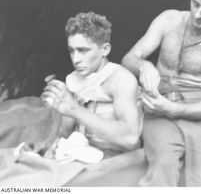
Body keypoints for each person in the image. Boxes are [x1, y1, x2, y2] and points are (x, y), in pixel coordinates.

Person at [122, 0, 201, 186]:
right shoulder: (168, 20)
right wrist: (144, 66)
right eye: (195, 4)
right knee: (162, 166)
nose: (198, 14)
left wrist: (173, 110)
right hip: (159, 103)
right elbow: (129, 58)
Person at [41, 12, 142, 155]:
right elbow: (65, 133)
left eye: (83, 51)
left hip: (117, 156)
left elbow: (131, 140)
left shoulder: (121, 80)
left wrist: (74, 109)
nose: (76, 59)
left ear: (105, 49)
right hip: (83, 151)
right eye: (71, 51)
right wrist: (48, 148)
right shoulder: (73, 80)